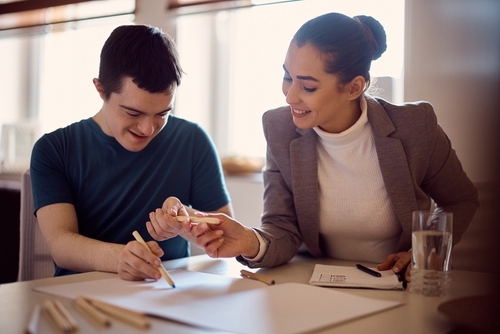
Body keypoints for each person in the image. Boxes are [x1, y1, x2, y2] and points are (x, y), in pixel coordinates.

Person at [166, 12, 478, 282]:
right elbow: (281, 228)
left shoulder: (415, 126)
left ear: (354, 87)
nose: (290, 96)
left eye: (308, 86)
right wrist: (250, 241)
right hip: (315, 285)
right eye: (287, 77)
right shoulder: (279, 129)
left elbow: (460, 200)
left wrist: (423, 252)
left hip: (396, 286)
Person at [30, 24, 233, 281]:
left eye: (162, 114)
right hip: (82, 295)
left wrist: (185, 223)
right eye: (133, 113)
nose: (148, 129)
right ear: (101, 89)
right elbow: (61, 245)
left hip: (168, 295)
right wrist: (120, 258)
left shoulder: (192, 140)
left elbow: (224, 228)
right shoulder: (55, 149)